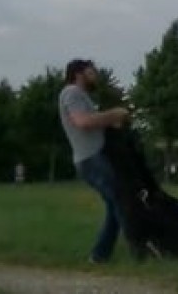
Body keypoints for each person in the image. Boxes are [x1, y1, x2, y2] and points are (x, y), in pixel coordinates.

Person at [58, 58, 131, 264]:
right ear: (79, 73)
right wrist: (114, 114)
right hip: (91, 160)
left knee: (115, 205)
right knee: (122, 202)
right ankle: (143, 248)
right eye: (92, 72)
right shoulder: (72, 92)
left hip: (93, 159)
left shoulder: (81, 96)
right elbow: (82, 122)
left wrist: (112, 122)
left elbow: (93, 123)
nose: (95, 75)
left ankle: (100, 255)